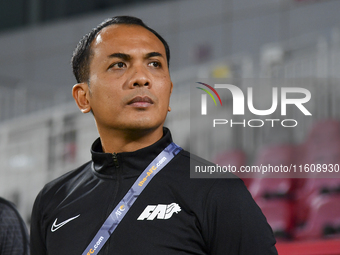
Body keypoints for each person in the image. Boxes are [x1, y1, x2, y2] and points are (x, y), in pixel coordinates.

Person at [30, 16, 278, 254]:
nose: (141, 78)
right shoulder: (52, 200)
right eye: (119, 65)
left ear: (168, 91)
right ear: (83, 97)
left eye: (154, 64)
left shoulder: (217, 191)